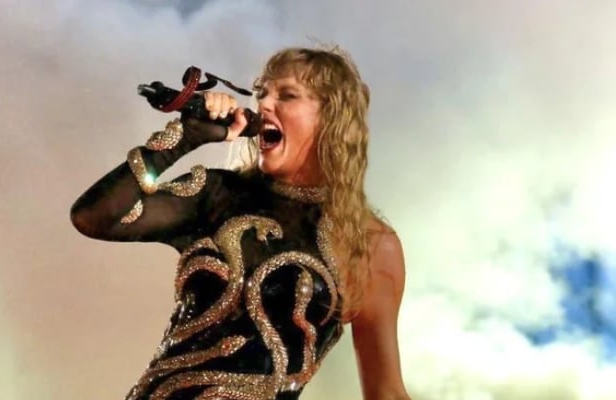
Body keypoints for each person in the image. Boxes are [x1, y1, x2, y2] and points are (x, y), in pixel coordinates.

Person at [70, 47, 410, 400]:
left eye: (287, 95)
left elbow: (385, 390)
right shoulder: (217, 194)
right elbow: (93, 216)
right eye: (262, 93)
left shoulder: (369, 242)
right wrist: (185, 138)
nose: (264, 105)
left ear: (333, 117)